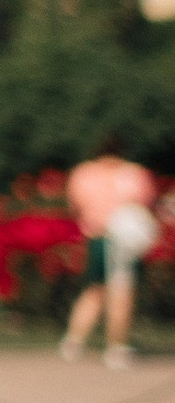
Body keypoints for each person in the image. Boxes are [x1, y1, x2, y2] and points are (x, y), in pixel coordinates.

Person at [61, 144, 158, 367]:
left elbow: (75, 204)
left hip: (96, 237)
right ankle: (116, 346)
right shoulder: (133, 174)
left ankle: (74, 342)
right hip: (122, 239)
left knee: (94, 290)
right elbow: (145, 204)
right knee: (121, 292)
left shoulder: (84, 174)